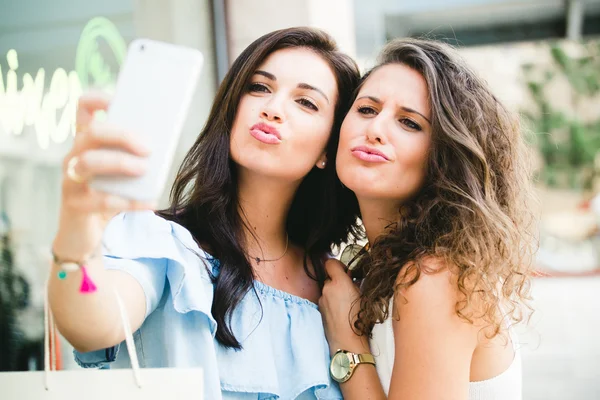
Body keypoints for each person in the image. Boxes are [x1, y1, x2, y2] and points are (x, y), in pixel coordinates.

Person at [49, 27, 361, 399]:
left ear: (329, 148)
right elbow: (93, 320)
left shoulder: (335, 290)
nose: (272, 109)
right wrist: (76, 238)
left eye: (306, 103)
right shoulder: (168, 247)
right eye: (259, 87)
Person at [319, 38, 536, 400]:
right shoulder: (386, 268)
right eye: (367, 109)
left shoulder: (435, 276)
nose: (375, 129)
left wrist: (347, 340)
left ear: (444, 159)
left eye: (409, 123)